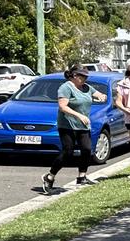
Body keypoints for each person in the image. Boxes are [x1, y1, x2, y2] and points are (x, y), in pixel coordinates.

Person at [41, 65, 107, 193]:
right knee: (68, 152)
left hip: (82, 125)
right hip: (67, 125)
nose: (85, 79)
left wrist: (101, 96)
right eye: (83, 76)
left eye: (86, 77)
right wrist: (79, 115)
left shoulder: (86, 87)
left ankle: (81, 177)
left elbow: (98, 94)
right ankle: (49, 177)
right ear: (75, 76)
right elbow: (62, 106)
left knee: (87, 149)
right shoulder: (66, 88)